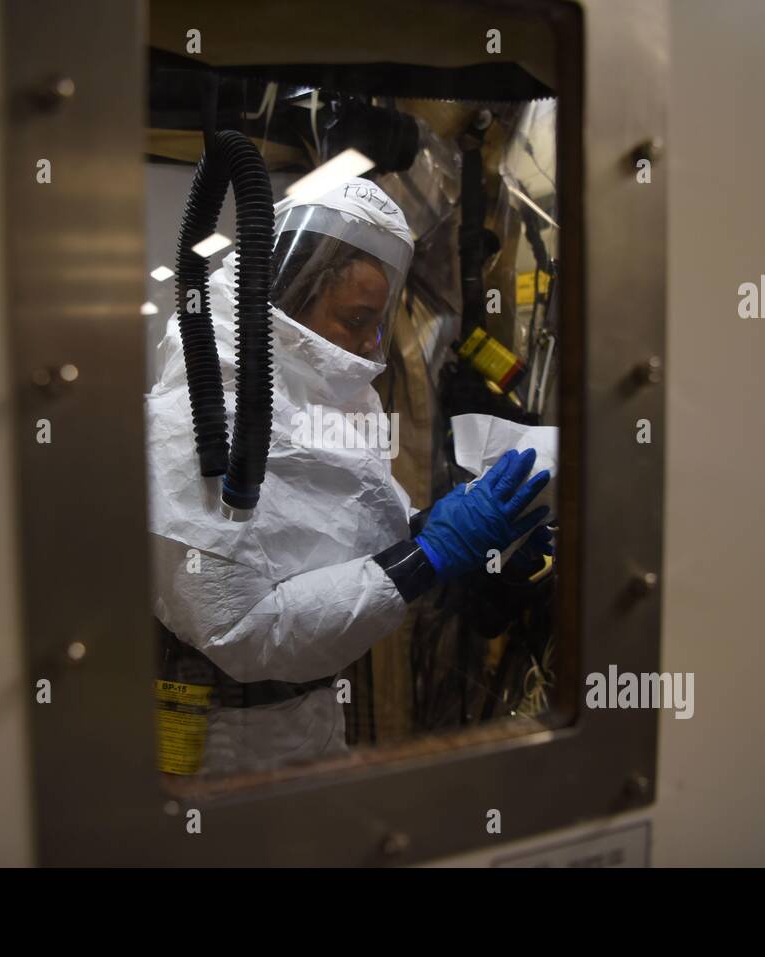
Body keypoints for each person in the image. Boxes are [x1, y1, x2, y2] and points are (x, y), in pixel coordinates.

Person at [147, 178, 549, 776]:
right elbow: (244, 633)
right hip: (218, 744)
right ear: (288, 295)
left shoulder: (329, 407)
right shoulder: (191, 423)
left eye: (377, 320)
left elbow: (328, 541)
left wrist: (454, 539)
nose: (369, 342)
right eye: (355, 318)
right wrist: (427, 556)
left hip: (307, 721)